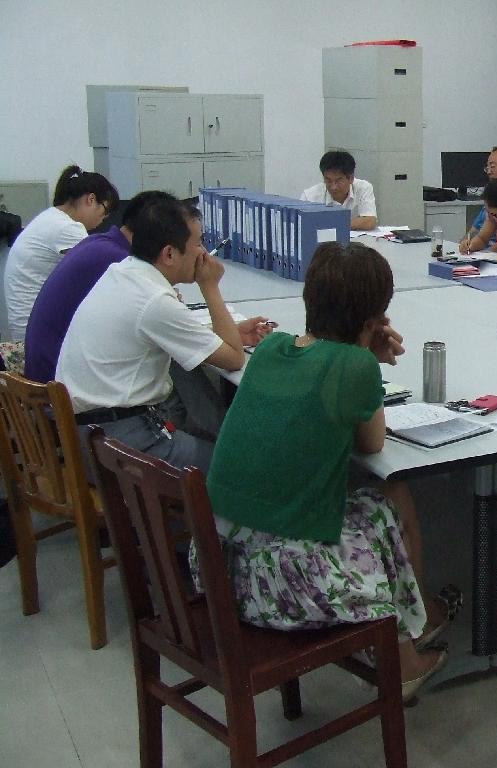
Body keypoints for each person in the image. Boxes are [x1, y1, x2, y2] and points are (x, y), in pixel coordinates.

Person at [201, 241, 449, 698]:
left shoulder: (271, 348)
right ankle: (406, 657)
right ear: (375, 317)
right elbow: (372, 443)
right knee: (389, 501)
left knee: (372, 502)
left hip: (217, 569)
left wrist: (361, 351)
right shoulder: (354, 365)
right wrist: (368, 359)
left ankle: (422, 619)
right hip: (278, 585)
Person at [55, 199, 272, 472]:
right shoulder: (154, 300)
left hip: (89, 432)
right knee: (241, 466)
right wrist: (210, 286)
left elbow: (161, 331)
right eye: (198, 243)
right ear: (169, 254)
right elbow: (233, 359)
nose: (204, 253)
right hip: (117, 442)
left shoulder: (123, 272)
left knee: (200, 422)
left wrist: (227, 334)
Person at [24, 191, 175, 382]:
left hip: (43, 366)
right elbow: (157, 311)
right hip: (57, 380)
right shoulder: (119, 260)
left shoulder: (99, 243)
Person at [4, 165, 119, 341]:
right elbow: (103, 274)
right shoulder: (67, 228)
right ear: (91, 199)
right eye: (105, 211)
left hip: (28, 327)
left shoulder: (51, 216)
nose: (103, 220)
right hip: (38, 333)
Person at [459, 145, 497, 250]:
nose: (489, 171)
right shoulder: (491, 198)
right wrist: (466, 243)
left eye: (493, 166)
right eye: (487, 167)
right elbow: (475, 233)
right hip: (487, 253)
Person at [299, 150, 377, 230]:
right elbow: (301, 225)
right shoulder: (309, 197)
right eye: (328, 180)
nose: (333, 187)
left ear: (351, 178)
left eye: (338, 180)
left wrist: (331, 224)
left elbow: (370, 221)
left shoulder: (363, 188)